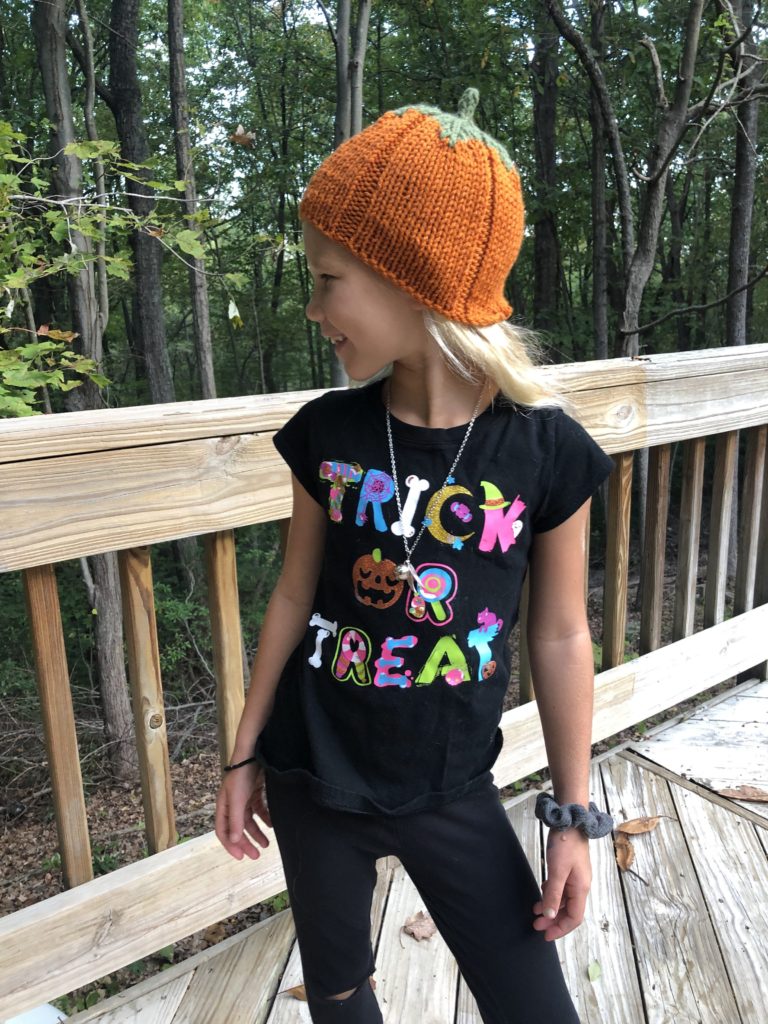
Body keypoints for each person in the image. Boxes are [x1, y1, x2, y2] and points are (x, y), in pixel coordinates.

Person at [215, 88, 615, 1024]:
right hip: (312, 776)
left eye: (328, 280)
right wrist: (242, 759)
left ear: (414, 280)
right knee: (341, 990)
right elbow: (291, 599)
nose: (313, 307)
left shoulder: (544, 453)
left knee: (533, 1005)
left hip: (450, 785)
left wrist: (572, 815)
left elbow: (560, 637)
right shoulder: (326, 433)